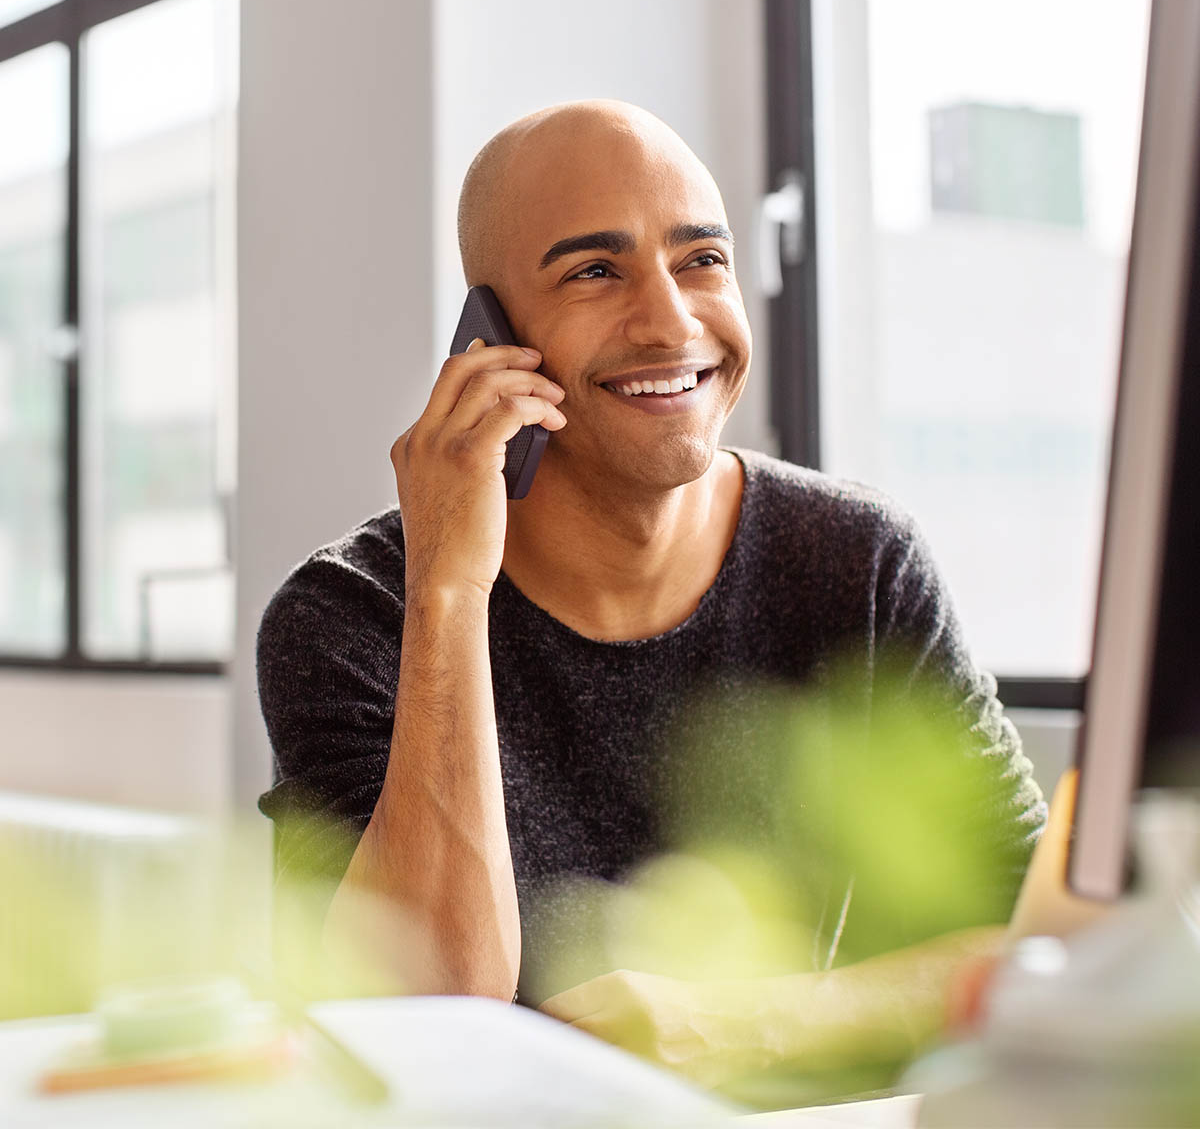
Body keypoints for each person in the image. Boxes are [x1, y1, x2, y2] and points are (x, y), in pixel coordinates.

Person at [257, 98, 1046, 1081]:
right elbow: (419, 1029)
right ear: (487, 339)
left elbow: (1039, 950)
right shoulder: (349, 615)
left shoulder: (860, 565)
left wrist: (749, 1023)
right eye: (595, 270)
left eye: (701, 260)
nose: (672, 321)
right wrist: (449, 593)